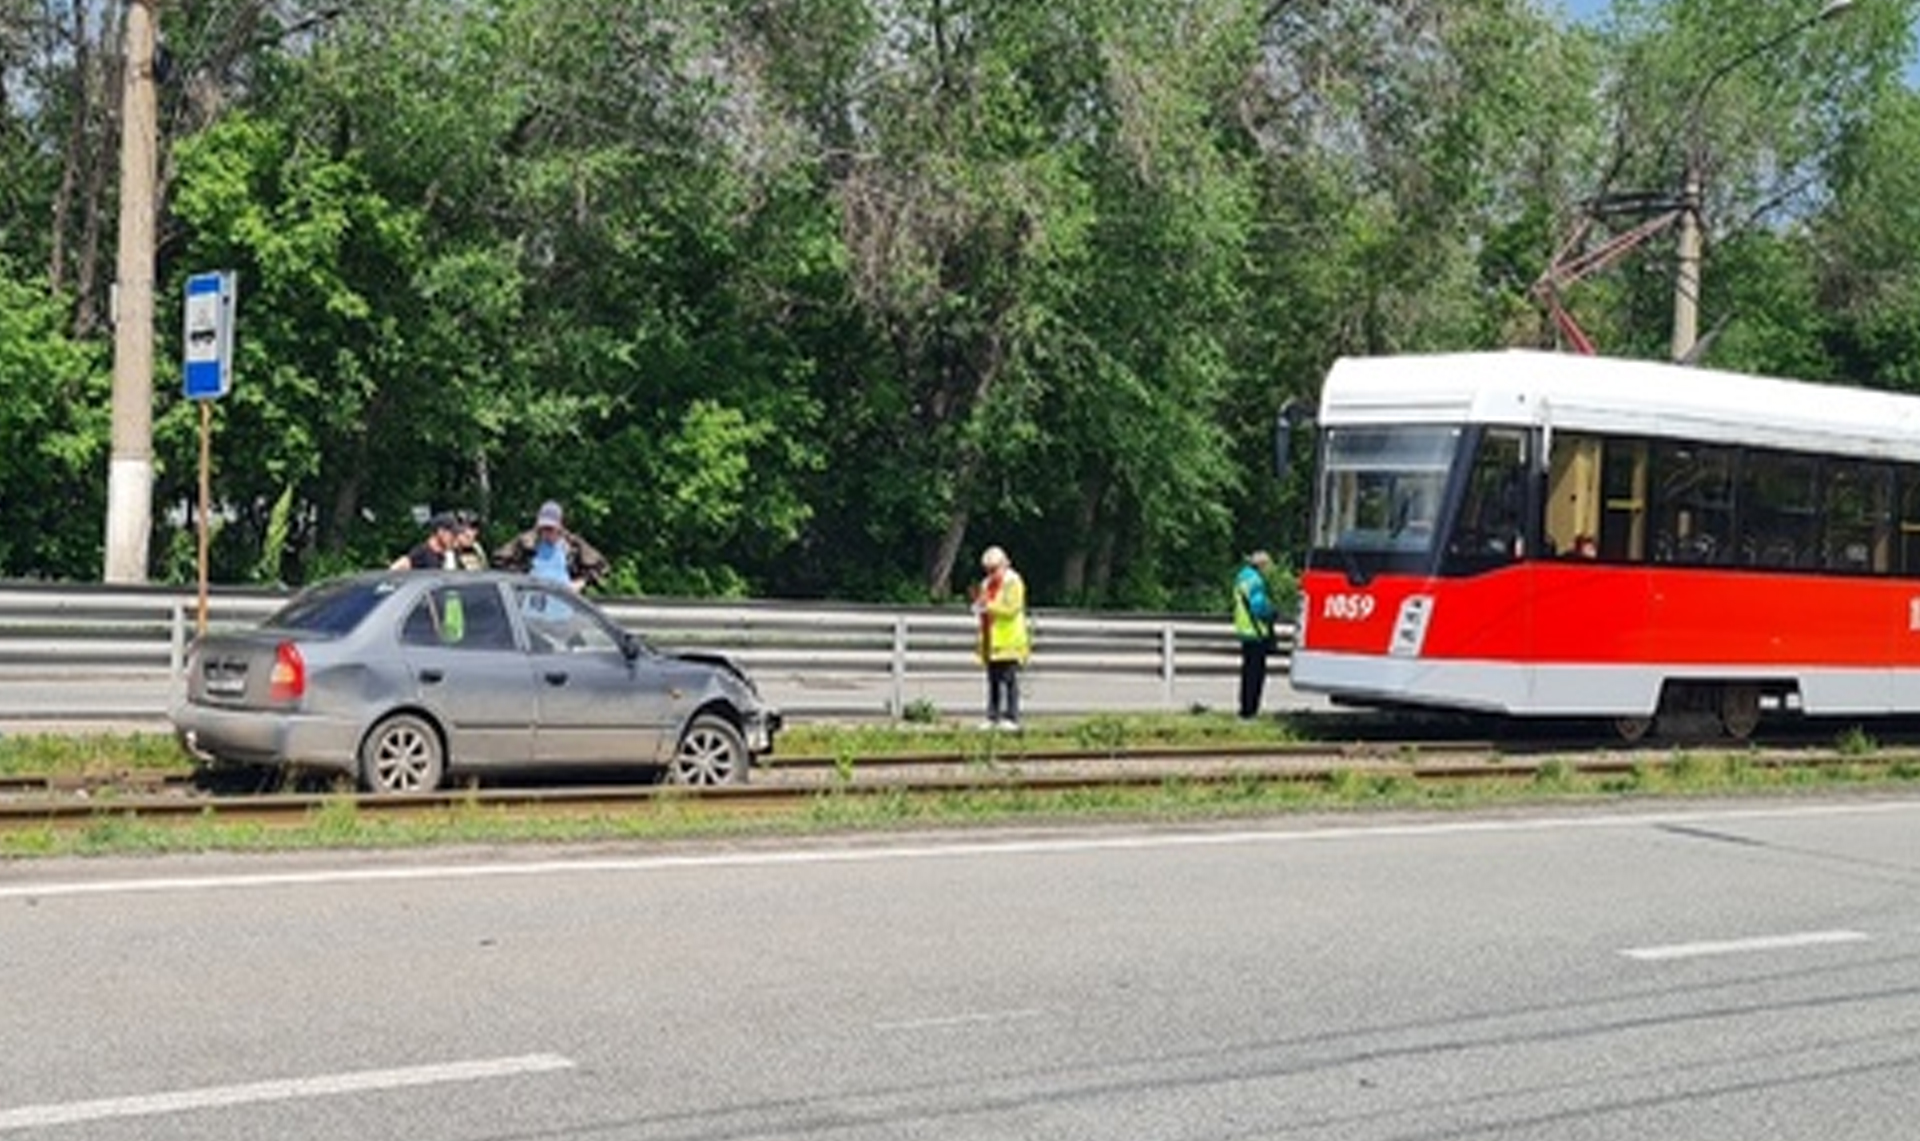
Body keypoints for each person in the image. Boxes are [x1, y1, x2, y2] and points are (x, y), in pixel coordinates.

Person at [969, 545, 1031, 730]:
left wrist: (989, 607)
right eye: (988, 570)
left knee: (1009, 679)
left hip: (1010, 640)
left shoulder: (1014, 582)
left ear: (1004, 564)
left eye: (994, 569)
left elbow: (1012, 608)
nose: (991, 573)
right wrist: (978, 607)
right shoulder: (986, 583)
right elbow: (983, 604)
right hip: (991, 639)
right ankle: (992, 716)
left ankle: (1011, 717)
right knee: (993, 680)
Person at [491, 500, 609, 591]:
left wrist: (580, 582)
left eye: (550, 528)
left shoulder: (572, 545)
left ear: (560, 526)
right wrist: (520, 578)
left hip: (565, 609)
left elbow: (601, 567)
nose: (546, 532)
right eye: (543, 528)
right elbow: (498, 560)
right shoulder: (527, 542)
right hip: (531, 611)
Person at [1233, 550, 1279, 719]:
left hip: (1245, 630)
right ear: (1262, 565)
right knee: (1256, 675)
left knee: (1247, 673)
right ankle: (1250, 711)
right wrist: (1272, 612)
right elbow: (1258, 607)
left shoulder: (1242, 578)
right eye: (1268, 566)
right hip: (1256, 631)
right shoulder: (1256, 581)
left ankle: (1244, 708)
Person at [391, 512, 460, 571]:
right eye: (452, 534)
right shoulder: (421, 552)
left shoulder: (450, 554)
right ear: (440, 532)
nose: (454, 538)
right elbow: (395, 568)